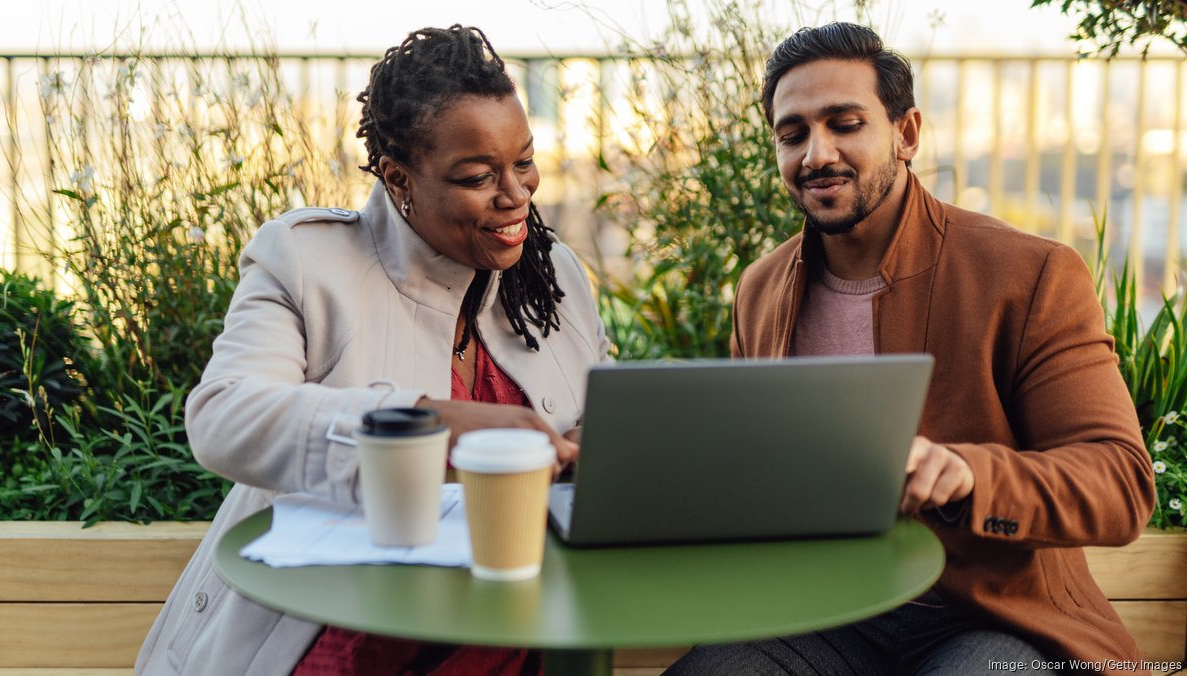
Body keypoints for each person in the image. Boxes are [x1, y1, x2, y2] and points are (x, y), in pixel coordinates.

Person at [668, 22, 1155, 676]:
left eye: (845, 123)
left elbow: (1120, 483)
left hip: (994, 614)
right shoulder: (760, 290)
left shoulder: (1029, 273)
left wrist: (967, 473)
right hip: (823, 614)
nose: (816, 154)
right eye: (793, 134)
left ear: (906, 135)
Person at [135, 25, 610, 675]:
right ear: (398, 177)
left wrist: (594, 445)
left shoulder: (552, 274)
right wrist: (425, 424)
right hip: (332, 639)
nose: (517, 194)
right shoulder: (307, 261)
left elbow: (597, 414)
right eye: (478, 175)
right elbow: (222, 418)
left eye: (524, 161)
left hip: (512, 635)